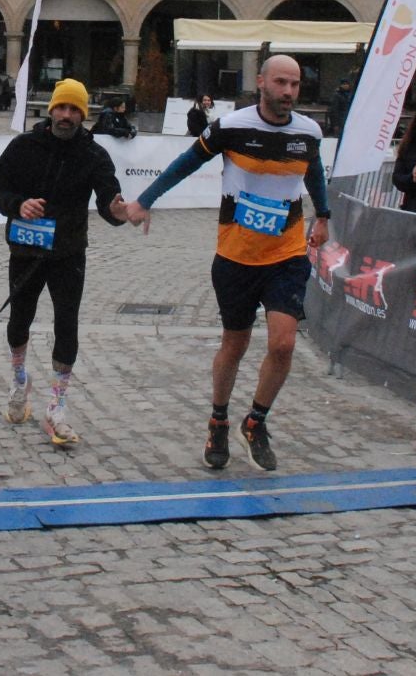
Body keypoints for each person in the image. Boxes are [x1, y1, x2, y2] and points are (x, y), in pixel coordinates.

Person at [126, 55, 329, 473]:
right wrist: (145, 200)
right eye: (281, 83)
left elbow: (314, 172)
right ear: (261, 83)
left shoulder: (308, 132)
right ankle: (218, 420)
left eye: (295, 84)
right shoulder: (232, 127)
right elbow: (186, 163)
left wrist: (322, 216)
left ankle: (256, 422)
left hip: (286, 255)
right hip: (235, 257)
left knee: (283, 344)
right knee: (234, 345)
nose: (289, 92)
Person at [0, 78, 129, 446]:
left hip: (68, 252)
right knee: (19, 320)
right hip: (26, 250)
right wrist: (18, 204)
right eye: (62, 108)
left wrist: (117, 211)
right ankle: (20, 381)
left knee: (67, 325)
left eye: (75, 110)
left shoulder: (94, 155)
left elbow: (107, 201)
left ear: (83, 115)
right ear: (51, 110)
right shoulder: (23, 147)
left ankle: (57, 406)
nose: (67, 116)